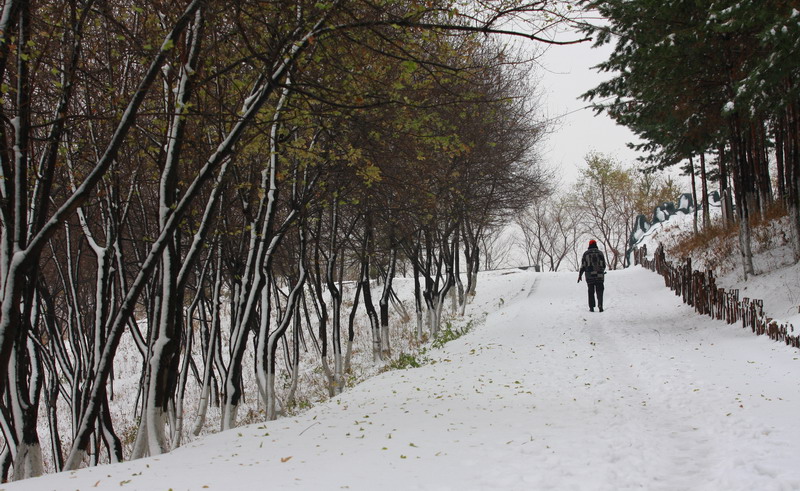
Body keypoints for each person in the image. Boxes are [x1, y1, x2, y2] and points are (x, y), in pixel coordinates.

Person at [577, 239, 606, 312]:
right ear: (596, 244)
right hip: (599, 276)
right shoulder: (600, 253)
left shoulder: (586, 254)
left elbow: (583, 266)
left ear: (589, 245)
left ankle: (591, 307)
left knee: (591, 291)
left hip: (590, 276)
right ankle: (600, 305)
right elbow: (604, 265)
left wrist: (580, 275)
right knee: (600, 291)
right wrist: (601, 271)